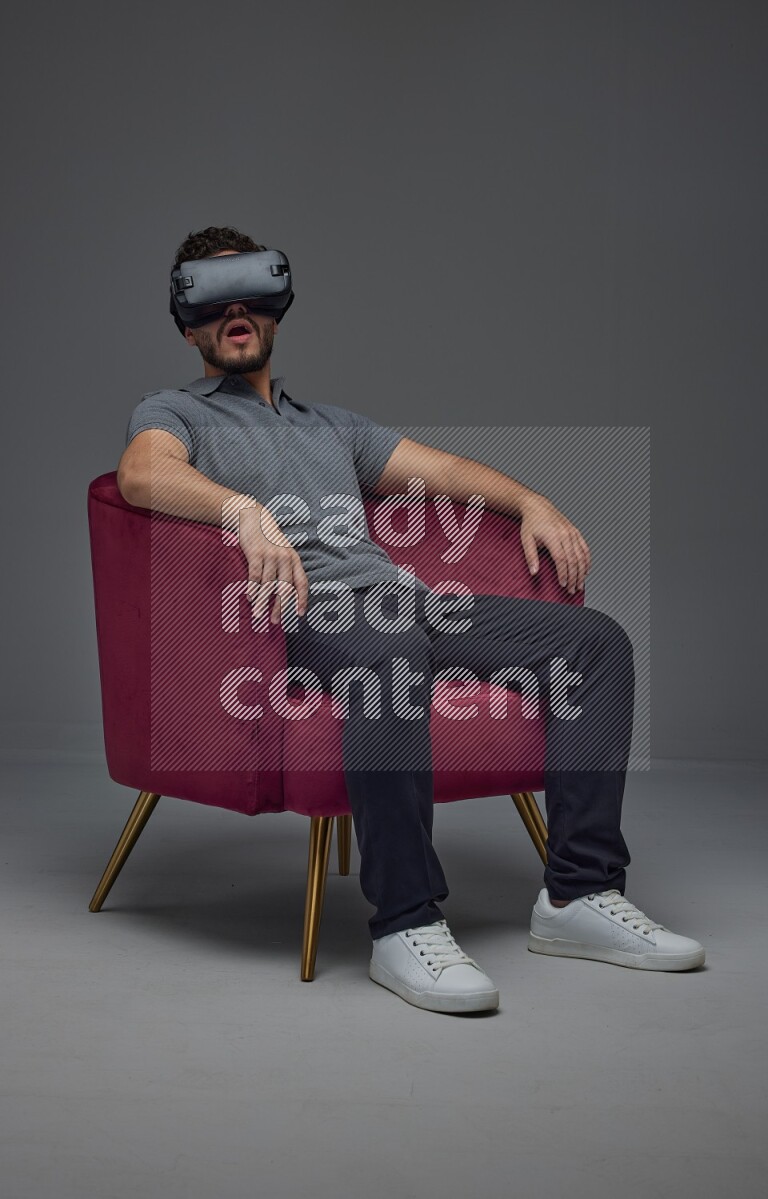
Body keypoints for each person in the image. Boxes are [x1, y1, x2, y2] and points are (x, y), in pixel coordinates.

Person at [118, 225, 705, 1015]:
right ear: (189, 323)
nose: (236, 312)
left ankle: (578, 894)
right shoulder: (175, 412)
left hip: (408, 604)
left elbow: (446, 471)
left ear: (276, 313)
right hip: (301, 617)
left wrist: (533, 499)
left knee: (596, 645)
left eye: (251, 296)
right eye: (214, 299)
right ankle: (405, 923)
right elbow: (140, 472)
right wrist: (241, 511)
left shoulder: (330, 424)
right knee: (389, 653)